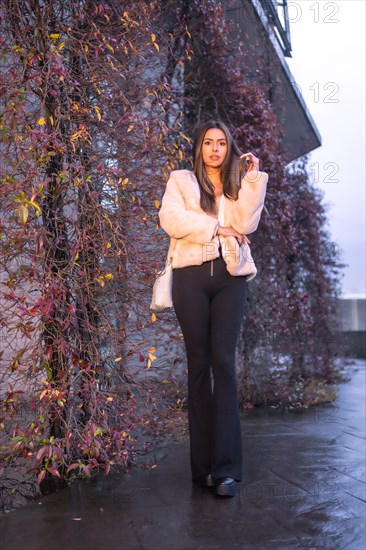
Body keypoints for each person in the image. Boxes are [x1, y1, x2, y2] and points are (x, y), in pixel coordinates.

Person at [158, 120, 268, 497]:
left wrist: (252, 179)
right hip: (190, 279)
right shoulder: (181, 181)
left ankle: (226, 471)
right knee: (198, 365)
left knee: (223, 363)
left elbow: (246, 222)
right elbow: (169, 219)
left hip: (229, 278)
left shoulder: (237, 184)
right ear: (199, 147)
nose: (216, 149)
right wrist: (215, 228)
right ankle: (201, 467)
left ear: (229, 147)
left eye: (222, 143)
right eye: (209, 142)